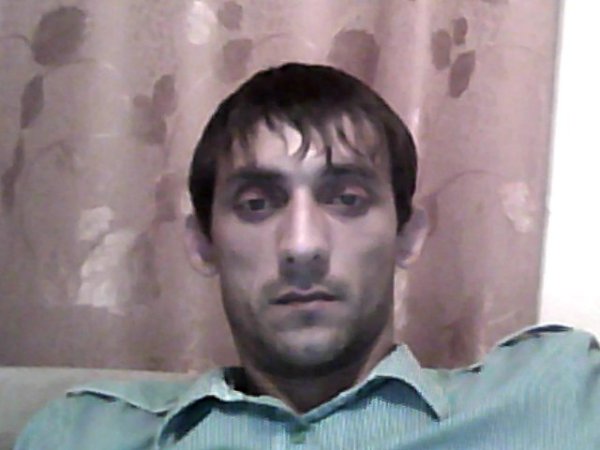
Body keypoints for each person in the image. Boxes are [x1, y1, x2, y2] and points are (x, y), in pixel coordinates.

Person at [15, 63, 600, 449]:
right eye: (256, 203)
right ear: (202, 243)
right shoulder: (82, 433)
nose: (301, 246)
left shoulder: (560, 396)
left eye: (346, 199)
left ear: (408, 235)